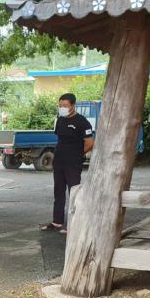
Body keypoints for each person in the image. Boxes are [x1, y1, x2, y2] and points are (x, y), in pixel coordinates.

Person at [41, 93, 94, 234]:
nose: (62, 108)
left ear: (72, 106)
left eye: (65, 106)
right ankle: (57, 222)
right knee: (58, 192)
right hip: (59, 161)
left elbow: (89, 143)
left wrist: (77, 154)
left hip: (73, 162)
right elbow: (60, 139)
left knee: (74, 192)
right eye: (60, 106)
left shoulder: (82, 122)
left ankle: (74, 223)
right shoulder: (60, 120)